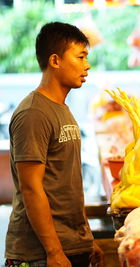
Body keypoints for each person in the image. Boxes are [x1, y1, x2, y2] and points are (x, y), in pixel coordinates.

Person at [5, 22, 103, 267]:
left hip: (70, 244)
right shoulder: (33, 113)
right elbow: (31, 188)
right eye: (80, 57)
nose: (87, 65)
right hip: (40, 253)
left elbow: (68, 182)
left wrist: (86, 238)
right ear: (55, 61)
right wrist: (54, 251)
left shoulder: (62, 109)